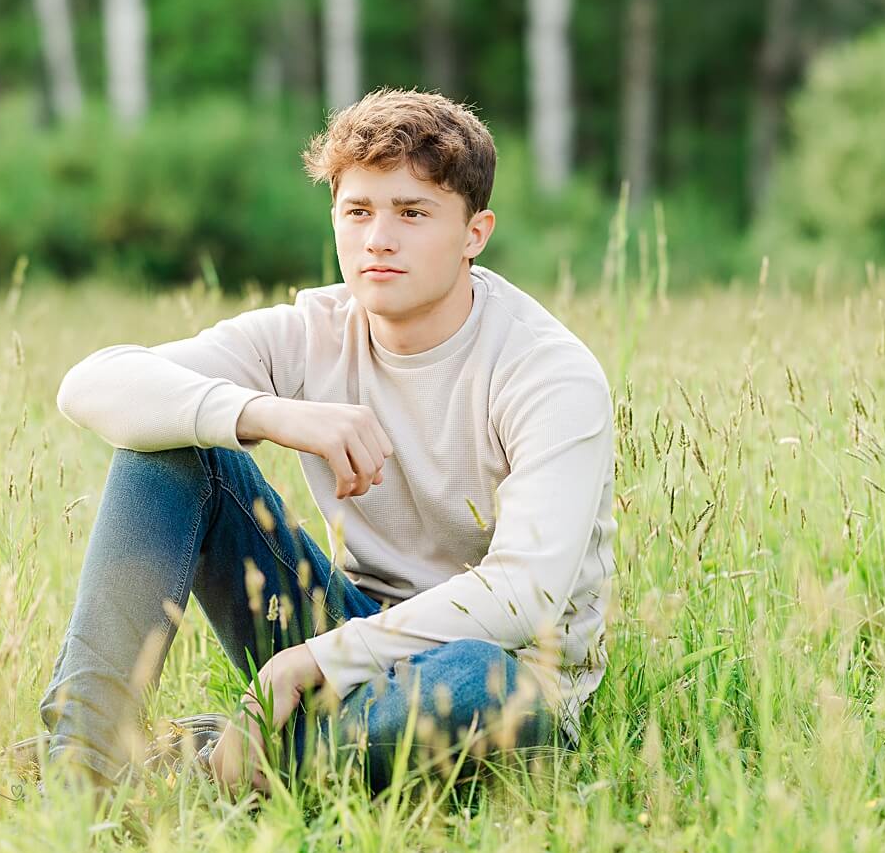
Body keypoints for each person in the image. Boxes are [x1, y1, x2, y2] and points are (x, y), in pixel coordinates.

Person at [35, 87, 616, 801]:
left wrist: (313, 660)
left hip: (492, 670)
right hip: (343, 624)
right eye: (358, 211)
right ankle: (80, 768)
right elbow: (91, 384)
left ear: (475, 232)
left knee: (478, 683)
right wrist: (269, 415)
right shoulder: (313, 329)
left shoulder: (547, 372)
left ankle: (212, 764)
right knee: (171, 442)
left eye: (412, 213)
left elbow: (523, 595)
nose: (379, 238)